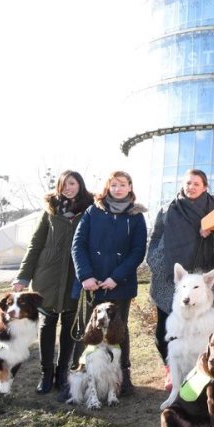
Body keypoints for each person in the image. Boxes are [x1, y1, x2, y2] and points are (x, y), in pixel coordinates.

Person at [11, 170, 94, 395]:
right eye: (64, 184)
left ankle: (62, 373)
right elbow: (35, 245)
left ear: (80, 185)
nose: (68, 187)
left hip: (74, 276)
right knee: (47, 325)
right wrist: (22, 276)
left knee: (69, 323)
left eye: (73, 183)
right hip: (47, 276)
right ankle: (46, 373)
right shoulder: (50, 211)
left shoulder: (90, 210)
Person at [68, 170, 147, 397]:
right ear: (108, 187)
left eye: (123, 185)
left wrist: (116, 277)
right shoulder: (93, 211)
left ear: (130, 187)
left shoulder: (136, 217)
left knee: (118, 331)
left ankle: (123, 377)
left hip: (119, 285)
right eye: (114, 185)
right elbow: (78, 245)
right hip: (91, 284)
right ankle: (80, 377)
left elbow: (137, 251)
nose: (118, 189)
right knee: (88, 329)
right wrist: (85, 276)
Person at [147, 169, 214, 389]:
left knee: (202, 326)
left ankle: (200, 369)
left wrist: (211, 221)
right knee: (166, 325)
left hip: (202, 273)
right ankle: (171, 369)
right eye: (188, 183)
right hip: (169, 274)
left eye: (196, 184)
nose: (191, 187)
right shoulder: (169, 207)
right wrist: (154, 259)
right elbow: (155, 236)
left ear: (205, 187)